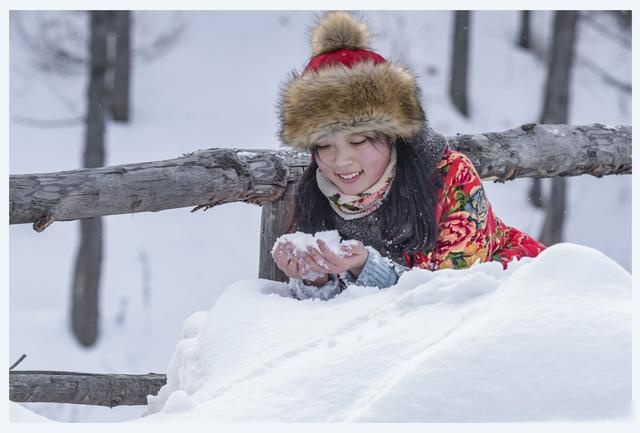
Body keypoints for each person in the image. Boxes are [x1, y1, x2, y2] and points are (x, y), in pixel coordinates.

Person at [272, 11, 545, 300]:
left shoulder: (450, 176)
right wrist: (314, 276)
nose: (341, 161)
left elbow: (451, 296)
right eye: (325, 146)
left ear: (393, 135)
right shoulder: (318, 192)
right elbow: (340, 317)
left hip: (526, 301)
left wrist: (367, 268)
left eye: (359, 140)